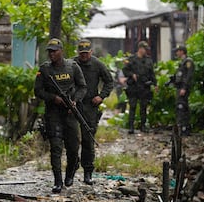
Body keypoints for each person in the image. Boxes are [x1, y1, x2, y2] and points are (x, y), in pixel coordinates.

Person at [34, 38, 87, 193]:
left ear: (61, 51)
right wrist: (53, 98)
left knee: (72, 148)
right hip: (53, 114)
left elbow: (82, 87)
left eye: (54, 51)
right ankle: (58, 181)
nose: (51, 54)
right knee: (56, 147)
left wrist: (75, 101)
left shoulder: (73, 66)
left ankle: (70, 173)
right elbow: (38, 91)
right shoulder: (44, 70)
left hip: (70, 114)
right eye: (49, 51)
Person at [73, 39, 114, 185]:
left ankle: (88, 172)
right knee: (71, 140)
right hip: (73, 105)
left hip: (90, 105)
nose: (83, 56)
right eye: (81, 53)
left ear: (91, 52)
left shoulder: (97, 65)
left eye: (86, 53)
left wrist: (101, 96)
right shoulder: (71, 64)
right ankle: (71, 171)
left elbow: (109, 81)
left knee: (88, 140)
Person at [122, 41, 157, 134]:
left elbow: (152, 74)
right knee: (132, 106)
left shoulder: (148, 60)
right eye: (144, 49)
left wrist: (155, 84)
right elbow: (125, 70)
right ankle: (131, 127)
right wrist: (131, 74)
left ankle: (143, 126)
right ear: (140, 48)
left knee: (143, 107)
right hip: (133, 86)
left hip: (144, 87)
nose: (145, 51)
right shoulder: (131, 59)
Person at [172, 45, 194, 136]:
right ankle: (182, 127)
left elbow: (188, 76)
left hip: (183, 88)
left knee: (182, 107)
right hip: (179, 87)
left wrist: (184, 87)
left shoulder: (188, 62)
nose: (177, 53)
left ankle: (184, 127)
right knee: (180, 106)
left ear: (182, 51)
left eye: (178, 51)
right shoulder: (182, 62)